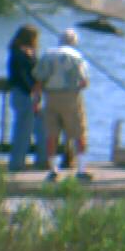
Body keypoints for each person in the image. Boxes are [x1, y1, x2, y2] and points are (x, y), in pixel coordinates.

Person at [35, 29, 92, 182]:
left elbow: (39, 80)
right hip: (71, 98)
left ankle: (53, 170)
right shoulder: (76, 56)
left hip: (50, 97)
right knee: (79, 133)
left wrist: (37, 100)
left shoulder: (47, 55)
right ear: (74, 42)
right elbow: (84, 81)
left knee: (52, 134)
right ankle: (81, 170)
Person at [5, 25, 47, 172]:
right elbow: (21, 76)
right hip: (23, 95)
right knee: (23, 130)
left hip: (31, 95)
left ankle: (42, 160)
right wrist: (32, 90)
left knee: (40, 127)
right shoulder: (17, 53)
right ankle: (17, 163)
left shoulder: (29, 53)